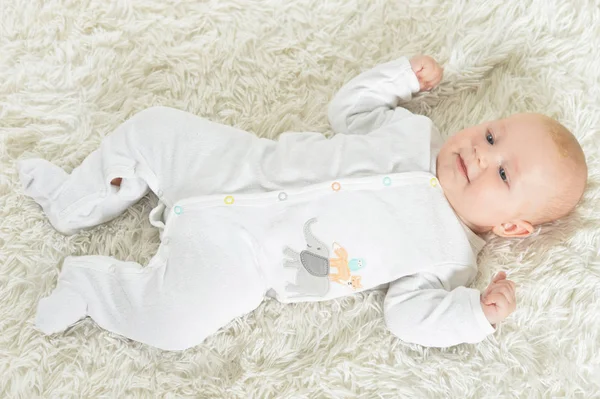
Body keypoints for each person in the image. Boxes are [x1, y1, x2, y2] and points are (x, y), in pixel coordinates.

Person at [18, 55, 587, 351]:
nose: (482, 156)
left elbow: (407, 318)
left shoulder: (448, 260)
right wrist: (398, 79)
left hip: (249, 258)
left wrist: (474, 317)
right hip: (237, 162)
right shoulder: (415, 135)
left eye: (504, 173)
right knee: (153, 127)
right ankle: (72, 202)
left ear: (512, 227)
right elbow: (349, 112)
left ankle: (91, 288)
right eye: (492, 136)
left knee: (174, 322)